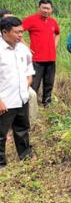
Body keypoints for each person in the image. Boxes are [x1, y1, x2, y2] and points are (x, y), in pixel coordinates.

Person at [0, 17, 35, 167]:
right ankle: (1, 162)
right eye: (17, 32)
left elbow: (28, 67)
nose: (21, 35)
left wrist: (28, 80)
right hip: (5, 101)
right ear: (5, 32)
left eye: (22, 32)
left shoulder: (22, 48)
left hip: (22, 97)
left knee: (22, 129)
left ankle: (25, 154)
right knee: (1, 134)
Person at [23, 0, 60, 108]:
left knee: (49, 83)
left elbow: (58, 33)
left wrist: (54, 45)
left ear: (51, 10)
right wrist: (26, 47)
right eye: (43, 8)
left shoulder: (53, 22)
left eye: (48, 8)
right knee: (34, 84)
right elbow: (18, 32)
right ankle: (30, 105)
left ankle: (46, 103)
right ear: (39, 8)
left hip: (51, 58)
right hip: (36, 59)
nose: (45, 10)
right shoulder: (31, 20)